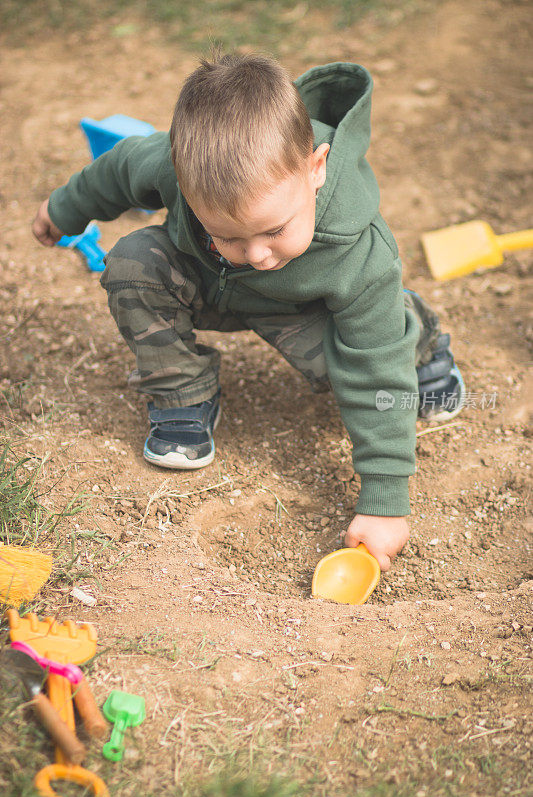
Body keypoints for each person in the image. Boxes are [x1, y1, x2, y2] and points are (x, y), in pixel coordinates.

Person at [32, 53, 465, 571]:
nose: (257, 253)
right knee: (133, 261)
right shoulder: (178, 166)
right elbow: (117, 169)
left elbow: (374, 365)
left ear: (316, 169)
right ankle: (182, 397)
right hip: (213, 287)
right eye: (227, 235)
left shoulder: (360, 254)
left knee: (350, 363)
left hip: (303, 307)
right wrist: (64, 210)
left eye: (275, 230)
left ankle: (418, 335)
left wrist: (385, 502)